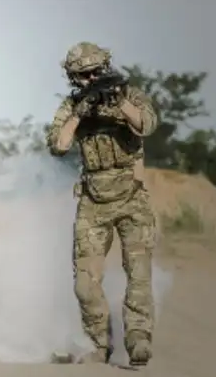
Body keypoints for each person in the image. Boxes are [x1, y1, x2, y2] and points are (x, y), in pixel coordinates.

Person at [47, 42, 159, 366]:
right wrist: (80, 113)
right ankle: (98, 344)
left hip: (132, 197)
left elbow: (147, 124)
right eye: (84, 76)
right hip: (93, 201)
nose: (92, 79)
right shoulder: (72, 105)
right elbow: (58, 145)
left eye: (97, 72)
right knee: (85, 282)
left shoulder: (130, 95)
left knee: (138, 274)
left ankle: (138, 339)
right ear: (73, 78)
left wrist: (118, 102)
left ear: (106, 68)